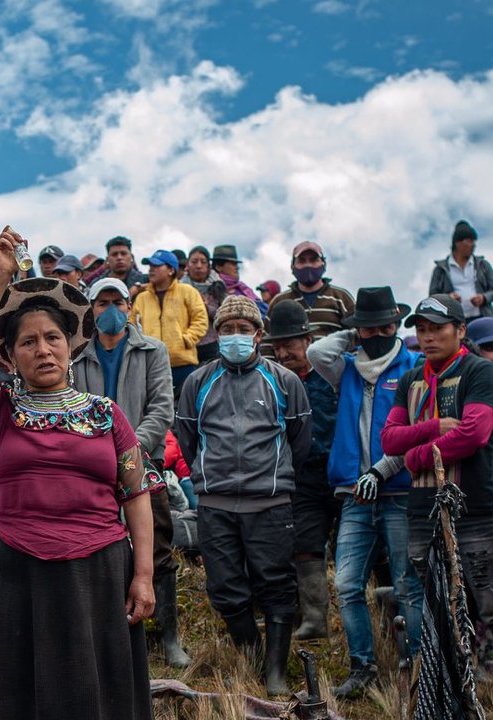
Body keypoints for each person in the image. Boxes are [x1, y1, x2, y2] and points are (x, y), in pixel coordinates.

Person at [0, 229, 171, 720]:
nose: (42, 349)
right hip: (19, 569)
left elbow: (136, 494)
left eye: (52, 337)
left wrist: (144, 574)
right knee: (27, 687)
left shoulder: (107, 416)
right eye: (28, 342)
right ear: (14, 355)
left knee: (100, 686)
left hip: (100, 567)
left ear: (70, 347)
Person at [380, 295, 493, 713]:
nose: (428, 336)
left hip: (474, 506)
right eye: (422, 329)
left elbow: (474, 433)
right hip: (422, 505)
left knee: (492, 600)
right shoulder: (413, 378)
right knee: (433, 599)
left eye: (438, 328)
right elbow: (388, 439)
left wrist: (416, 455)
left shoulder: (481, 372)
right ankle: (448, 688)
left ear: (460, 330)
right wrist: (432, 429)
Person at [176, 295, 311, 695]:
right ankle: (253, 656)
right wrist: (209, 477)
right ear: (217, 333)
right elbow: (187, 442)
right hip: (215, 504)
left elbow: (299, 441)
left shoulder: (284, 381)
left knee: (276, 585)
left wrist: (272, 477)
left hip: (269, 502)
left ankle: (276, 673)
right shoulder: (198, 382)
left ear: (259, 334)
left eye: (243, 329)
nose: (235, 336)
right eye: (228, 329)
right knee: (224, 589)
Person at [308, 286, 422, 698]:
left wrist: (383, 470)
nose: (376, 333)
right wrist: (350, 334)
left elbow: (413, 434)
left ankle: (418, 665)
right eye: (367, 327)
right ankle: (363, 666)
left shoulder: (414, 368)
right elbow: (315, 353)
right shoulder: (350, 367)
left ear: (396, 325)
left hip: (399, 491)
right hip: (353, 493)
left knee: (408, 583)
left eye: (383, 325)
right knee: (347, 585)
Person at [73, 276, 186, 667]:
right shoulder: (77, 356)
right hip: (91, 467)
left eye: (117, 302)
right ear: (91, 310)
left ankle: (169, 636)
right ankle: (111, 630)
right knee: (101, 548)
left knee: (157, 546)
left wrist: (128, 452)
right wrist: (98, 453)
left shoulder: (152, 350)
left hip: (143, 462)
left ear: (128, 306)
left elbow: (162, 408)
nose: (110, 310)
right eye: (101, 303)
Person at [267, 300, 337, 642]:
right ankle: (314, 620)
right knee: (306, 546)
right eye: (277, 346)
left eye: (290, 344)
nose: (283, 353)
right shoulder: (275, 383)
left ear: (309, 340)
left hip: (342, 473)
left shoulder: (334, 374)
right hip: (302, 476)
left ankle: (387, 621)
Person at [130, 250, 209, 395]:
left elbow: (200, 320)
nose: (151, 269)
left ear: (171, 270)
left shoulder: (187, 292)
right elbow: (132, 325)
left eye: (157, 266)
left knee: (184, 408)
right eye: (150, 266)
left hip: (183, 364)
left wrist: (186, 340)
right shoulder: (142, 298)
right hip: (151, 365)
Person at [269, 241, 357, 343]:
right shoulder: (280, 302)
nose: (308, 265)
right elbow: (267, 342)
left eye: (313, 260)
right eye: (302, 261)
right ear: (292, 267)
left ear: (323, 264)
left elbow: (357, 333)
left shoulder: (341, 297)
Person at [428, 220, 493, 320]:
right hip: (454, 321)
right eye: (469, 241)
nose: (473, 245)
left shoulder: (483, 265)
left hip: (483, 317)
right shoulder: (440, 270)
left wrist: (484, 298)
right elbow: (432, 296)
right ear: (458, 243)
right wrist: (448, 298)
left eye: (474, 241)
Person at [184, 246, 226, 363]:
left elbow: (224, 315)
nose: (198, 266)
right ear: (188, 265)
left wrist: (206, 308)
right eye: (194, 262)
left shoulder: (218, 287)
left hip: (212, 345)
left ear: (208, 266)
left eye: (203, 262)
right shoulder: (180, 288)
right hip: (187, 344)